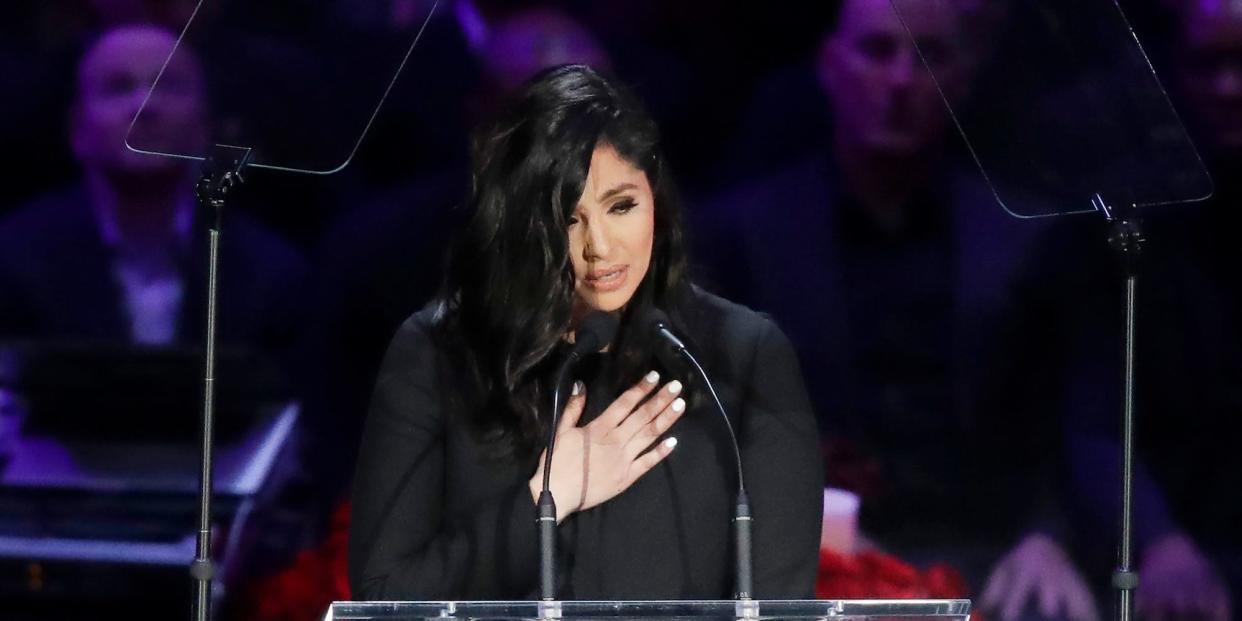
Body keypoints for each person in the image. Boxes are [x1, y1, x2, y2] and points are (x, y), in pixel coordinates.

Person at [694, 2, 1107, 620]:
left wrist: (1049, 536)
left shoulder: (1027, 236)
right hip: (816, 550)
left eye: (930, 57)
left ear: (964, 75)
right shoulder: (741, 235)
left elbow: (1076, 421)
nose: (900, 82)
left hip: (990, 552)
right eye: (876, 51)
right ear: (829, 65)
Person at [347, 64, 823, 600]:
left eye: (622, 206)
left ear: (656, 200)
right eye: (567, 218)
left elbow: (781, 604)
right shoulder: (438, 353)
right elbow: (382, 595)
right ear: (522, 223)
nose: (600, 246)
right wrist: (545, 499)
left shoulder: (744, 355)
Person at [0, 24, 307, 355]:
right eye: (118, 88)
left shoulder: (270, 272)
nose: (145, 106)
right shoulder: (14, 261)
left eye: (169, 86)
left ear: (205, 126)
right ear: (77, 128)